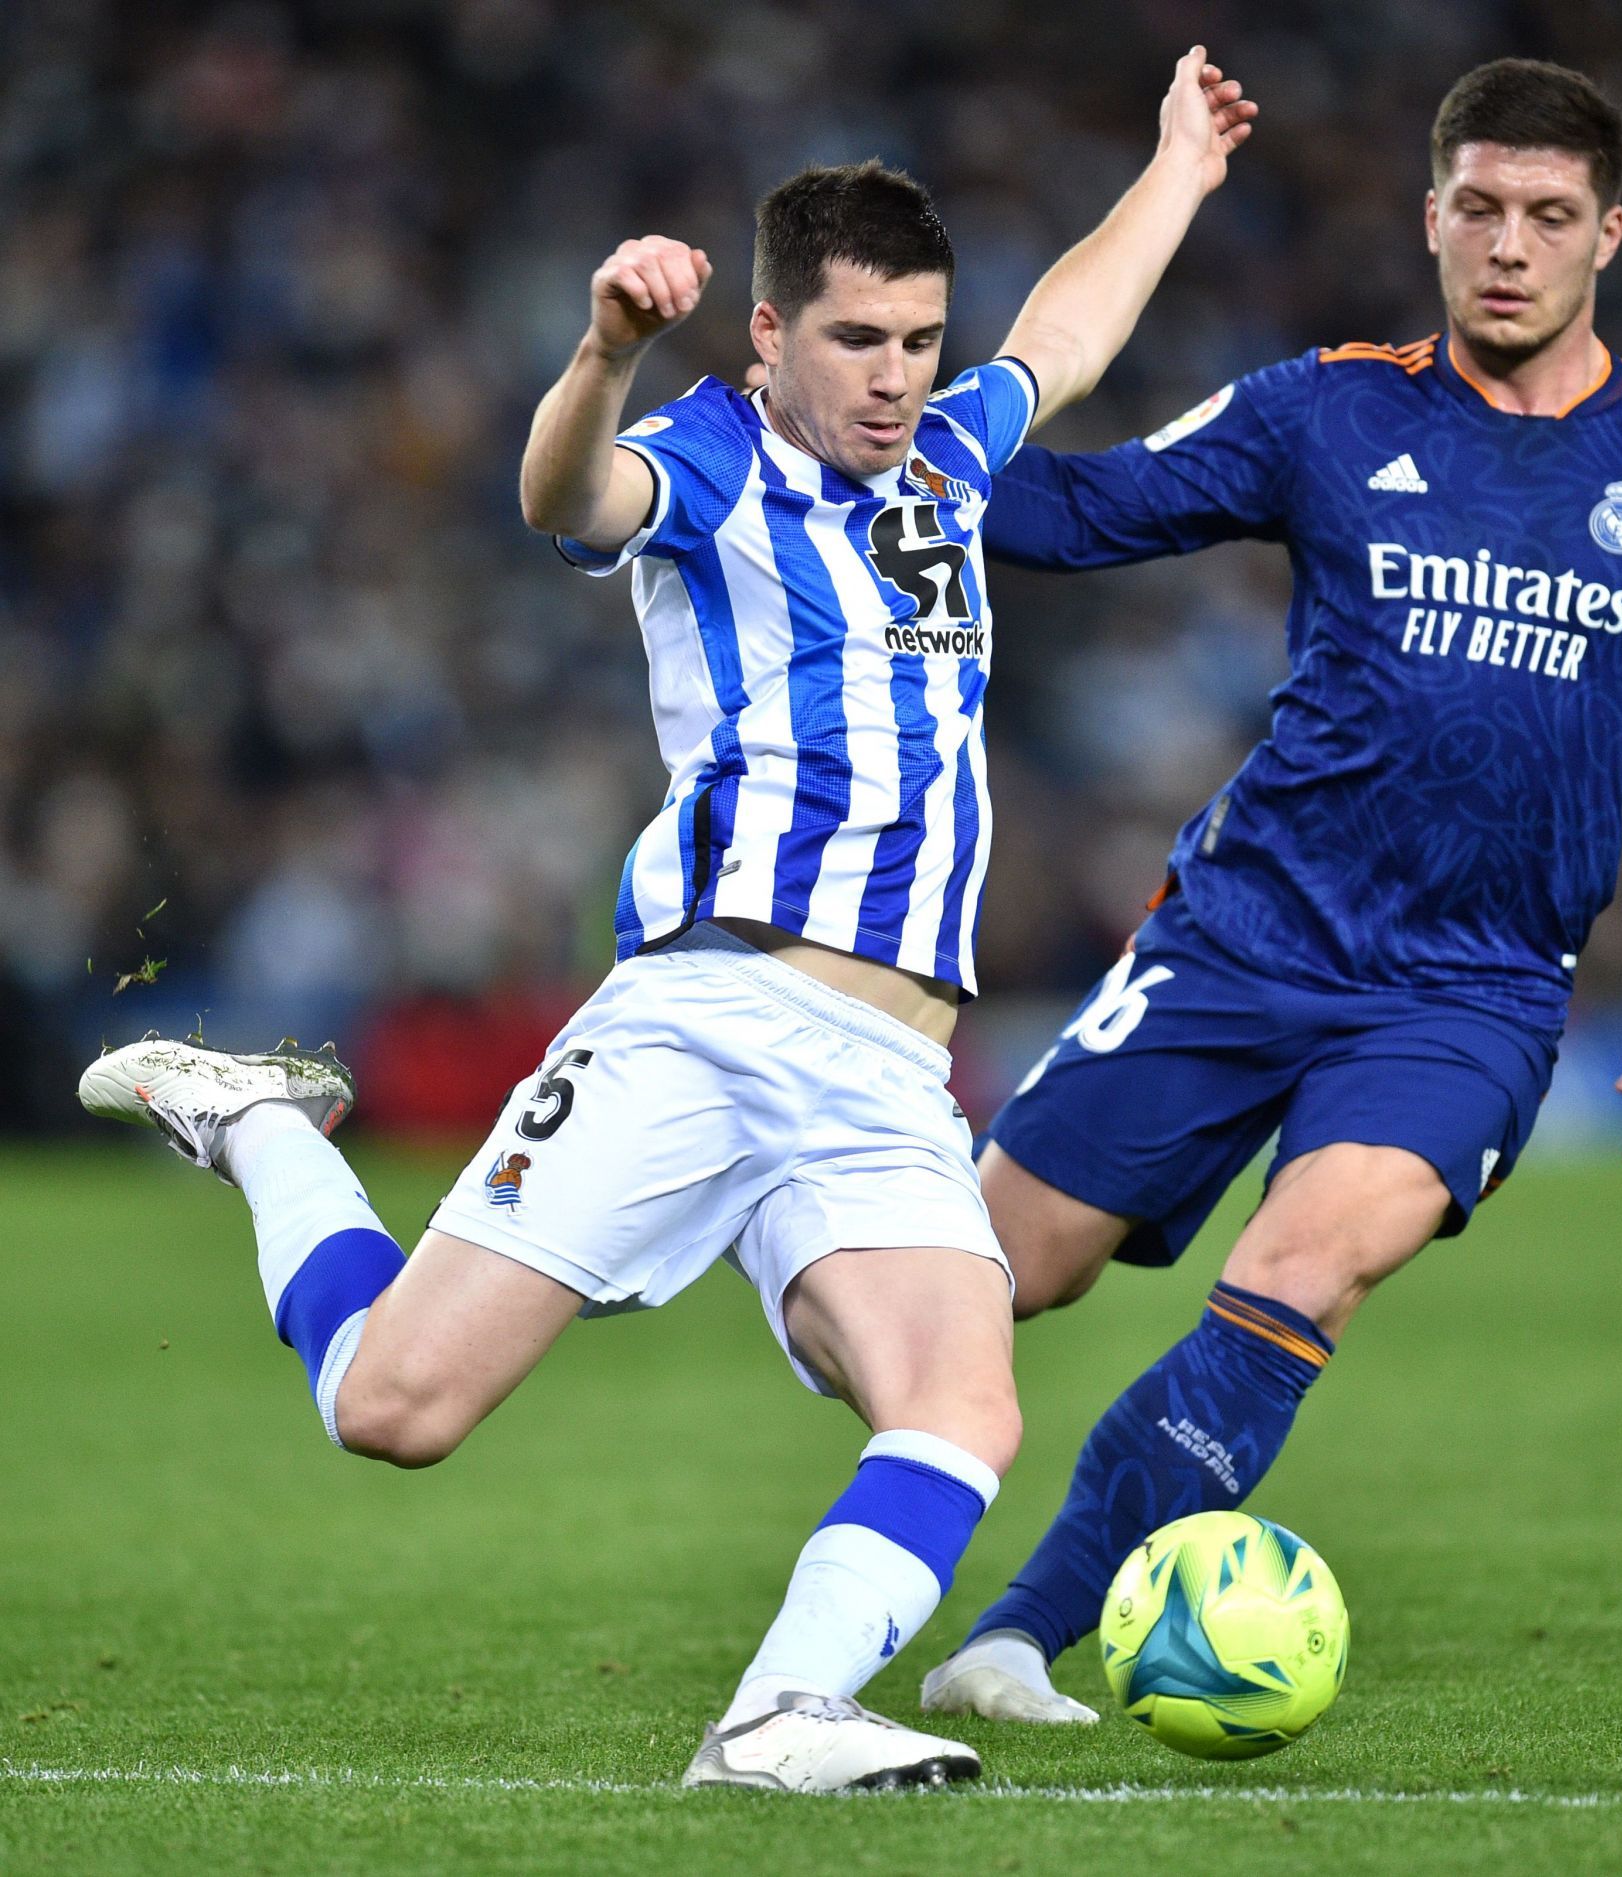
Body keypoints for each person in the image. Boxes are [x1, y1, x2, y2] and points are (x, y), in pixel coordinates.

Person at [77, 49, 1257, 1790]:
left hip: (889, 1072)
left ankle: (774, 1716)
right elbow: (568, 500)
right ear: (768, 337)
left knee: (967, 1397)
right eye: (857, 341)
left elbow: (1063, 342)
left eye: (920, 341)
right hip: (711, 1015)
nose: (896, 378)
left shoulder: (946, 463)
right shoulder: (710, 458)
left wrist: (1177, 169)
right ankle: (259, 1125)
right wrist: (605, 347)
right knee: (391, 1410)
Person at [921, 57, 1622, 1726]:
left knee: (1304, 1268)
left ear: (1609, 236)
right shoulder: (1325, 409)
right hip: (1240, 933)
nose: (1509, 245)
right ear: (1429, 219)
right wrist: (915, 439)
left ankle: (1020, 1635)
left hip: (1468, 993)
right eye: (1478, 209)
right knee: (981, 1274)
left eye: (1549, 217)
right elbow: (1066, 515)